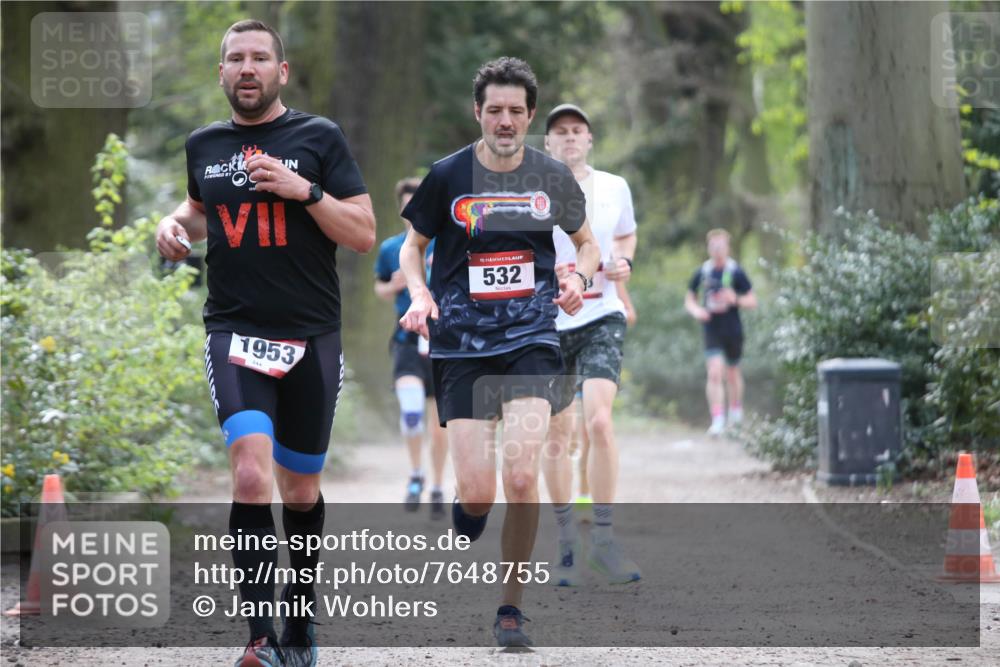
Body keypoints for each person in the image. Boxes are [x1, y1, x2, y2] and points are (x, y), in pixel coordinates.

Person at [155, 19, 375, 667]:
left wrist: (305, 191)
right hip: (235, 331)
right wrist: (174, 223)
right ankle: (259, 638)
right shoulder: (204, 144)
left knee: (299, 490)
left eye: (258, 58)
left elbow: (363, 232)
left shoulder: (319, 137)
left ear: (281, 72)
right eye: (235, 59)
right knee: (251, 474)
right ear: (221, 72)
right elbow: (201, 209)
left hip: (312, 334)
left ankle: (299, 618)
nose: (246, 68)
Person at [397, 58, 600, 648]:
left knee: (521, 474)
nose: (505, 121)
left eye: (515, 111)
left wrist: (578, 278)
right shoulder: (447, 175)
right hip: (461, 346)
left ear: (530, 115)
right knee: (480, 492)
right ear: (478, 113)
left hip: (531, 338)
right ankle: (471, 506)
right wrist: (419, 292)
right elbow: (412, 247)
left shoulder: (550, 176)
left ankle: (511, 608)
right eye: (494, 111)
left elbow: (587, 245)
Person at [540, 103, 641, 586]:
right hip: (549, 322)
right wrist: (550, 272)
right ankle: (566, 541)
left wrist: (624, 265)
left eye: (577, 130)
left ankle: (603, 539)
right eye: (560, 131)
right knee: (558, 436)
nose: (570, 137)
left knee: (599, 422)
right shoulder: (533, 191)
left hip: (602, 315)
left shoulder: (615, 186)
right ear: (547, 142)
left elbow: (626, 236)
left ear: (590, 139)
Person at [374, 177, 448, 519]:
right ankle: (417, 473)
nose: (412, 212)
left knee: (438, 425)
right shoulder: (391, 248)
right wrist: (393, 285)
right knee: (412, 412)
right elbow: (379, 287)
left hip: (442, 341)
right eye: (406, 206)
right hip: (406, 339)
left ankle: (437, 486)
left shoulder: (444, 243)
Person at [684, 229, 757, 436]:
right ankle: (717, 419)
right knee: (715, 372)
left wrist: (736, 299)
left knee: (732, 372)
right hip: (711, 328)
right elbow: (689, 299)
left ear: (727, 247)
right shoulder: (703, 272)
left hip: (732, 328)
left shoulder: (736, 271)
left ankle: (736, 413)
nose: (717, 249)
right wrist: (697, 311)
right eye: (713, 246)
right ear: (709, 248)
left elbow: (752, 300)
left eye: (721, 245)